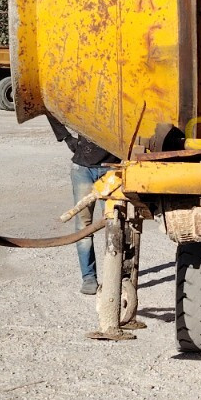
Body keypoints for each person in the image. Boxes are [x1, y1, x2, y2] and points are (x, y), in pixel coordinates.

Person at [62, 125, 116, 293]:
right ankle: (89, 278)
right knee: (83, 226)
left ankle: (117, 276)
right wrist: (66, 137)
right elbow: (48, 106)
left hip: (114, 168)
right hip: (82, 168)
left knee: (115, 224)